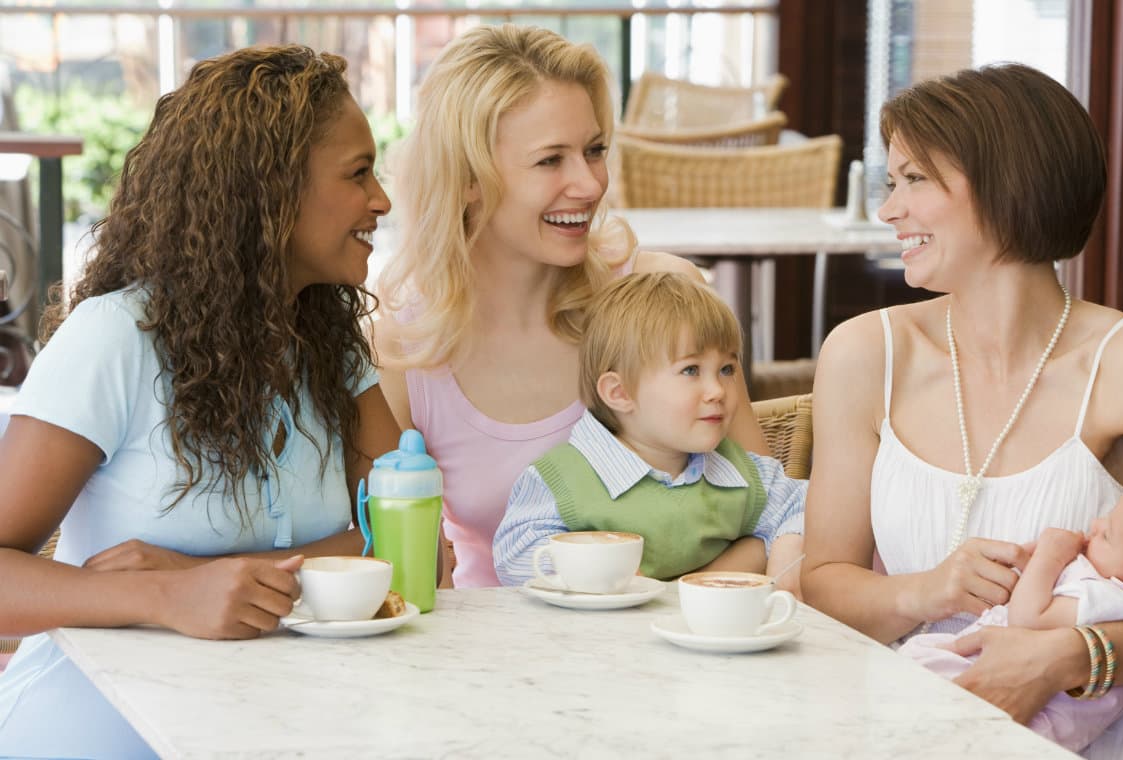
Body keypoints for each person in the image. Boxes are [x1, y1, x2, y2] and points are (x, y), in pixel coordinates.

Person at [799, 62, 1123, 760]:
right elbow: (823, 582)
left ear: (1005, 184)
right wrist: (925, 591)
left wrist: (1071, 658)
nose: (890, 210)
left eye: (915, 180)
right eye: (892, 184)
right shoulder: (865, 353)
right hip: (904, 733)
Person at [0, 45, 400, 758]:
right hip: (99, 733)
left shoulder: (332, 347)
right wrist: (159, 598)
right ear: (270, 192)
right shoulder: (116, 339)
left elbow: (415, 546)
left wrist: (191, 575)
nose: (381, 200)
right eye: (358, 172)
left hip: (282, 732)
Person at [372, 24, 768, 588]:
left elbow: (768, 513)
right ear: (467, 180)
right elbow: (416, 582)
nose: (588, 184)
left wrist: (652, 608)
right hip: (501, 656)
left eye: (594, 151)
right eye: (550, 160)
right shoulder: (406, 354)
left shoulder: (663, 297)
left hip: (686, 646)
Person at [493, 272, 805, 590]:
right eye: (690, 370)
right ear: (620, 393)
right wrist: (599, 571)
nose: (717, 390)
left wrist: (784, 556)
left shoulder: (741, 473)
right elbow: (514, 556)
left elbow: (802, 505)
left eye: (726, 369)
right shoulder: (562, 480)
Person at [900, 482, 1123, 754]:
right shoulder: (1110, 586)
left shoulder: (1114, 599)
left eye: (1107, 534)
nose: (1095, 526)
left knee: (919, 672)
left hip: (1036, 715)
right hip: (1012, 687)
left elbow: (1028, 620)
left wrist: (1051, 553)